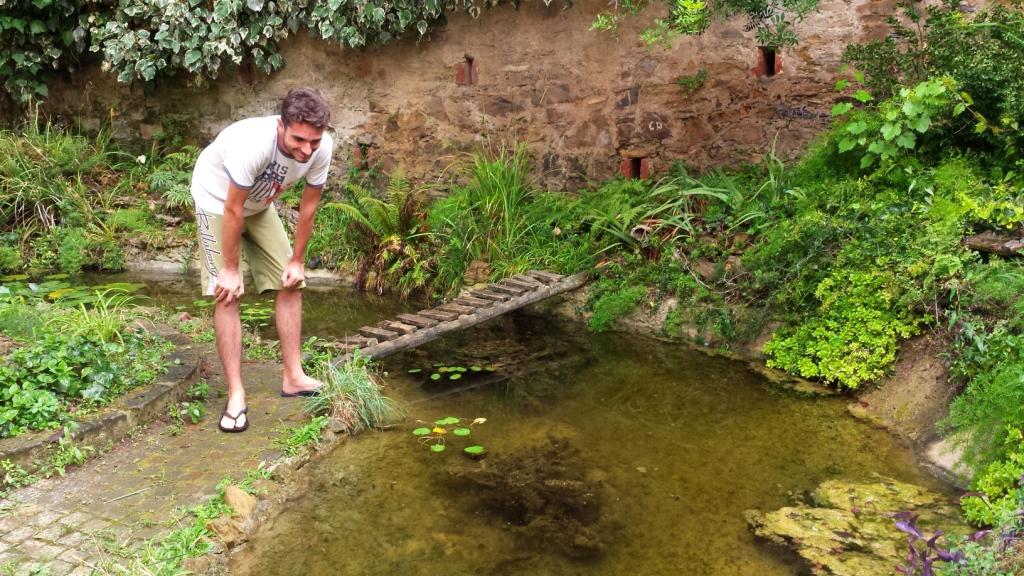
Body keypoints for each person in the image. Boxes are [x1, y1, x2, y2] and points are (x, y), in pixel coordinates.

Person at [190, 87, 334, 433]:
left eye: (313, 142)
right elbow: (232, 209)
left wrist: (296, 261)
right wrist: (229, 269)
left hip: (257, 206)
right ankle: (236, 393)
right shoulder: (252, 144)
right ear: (281, 126)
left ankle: (293, 376)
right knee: (228, 292)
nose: (306, 149)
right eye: (299, 139)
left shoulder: (321, 148)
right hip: (216, 200)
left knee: (291, 282)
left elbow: (309, 208)